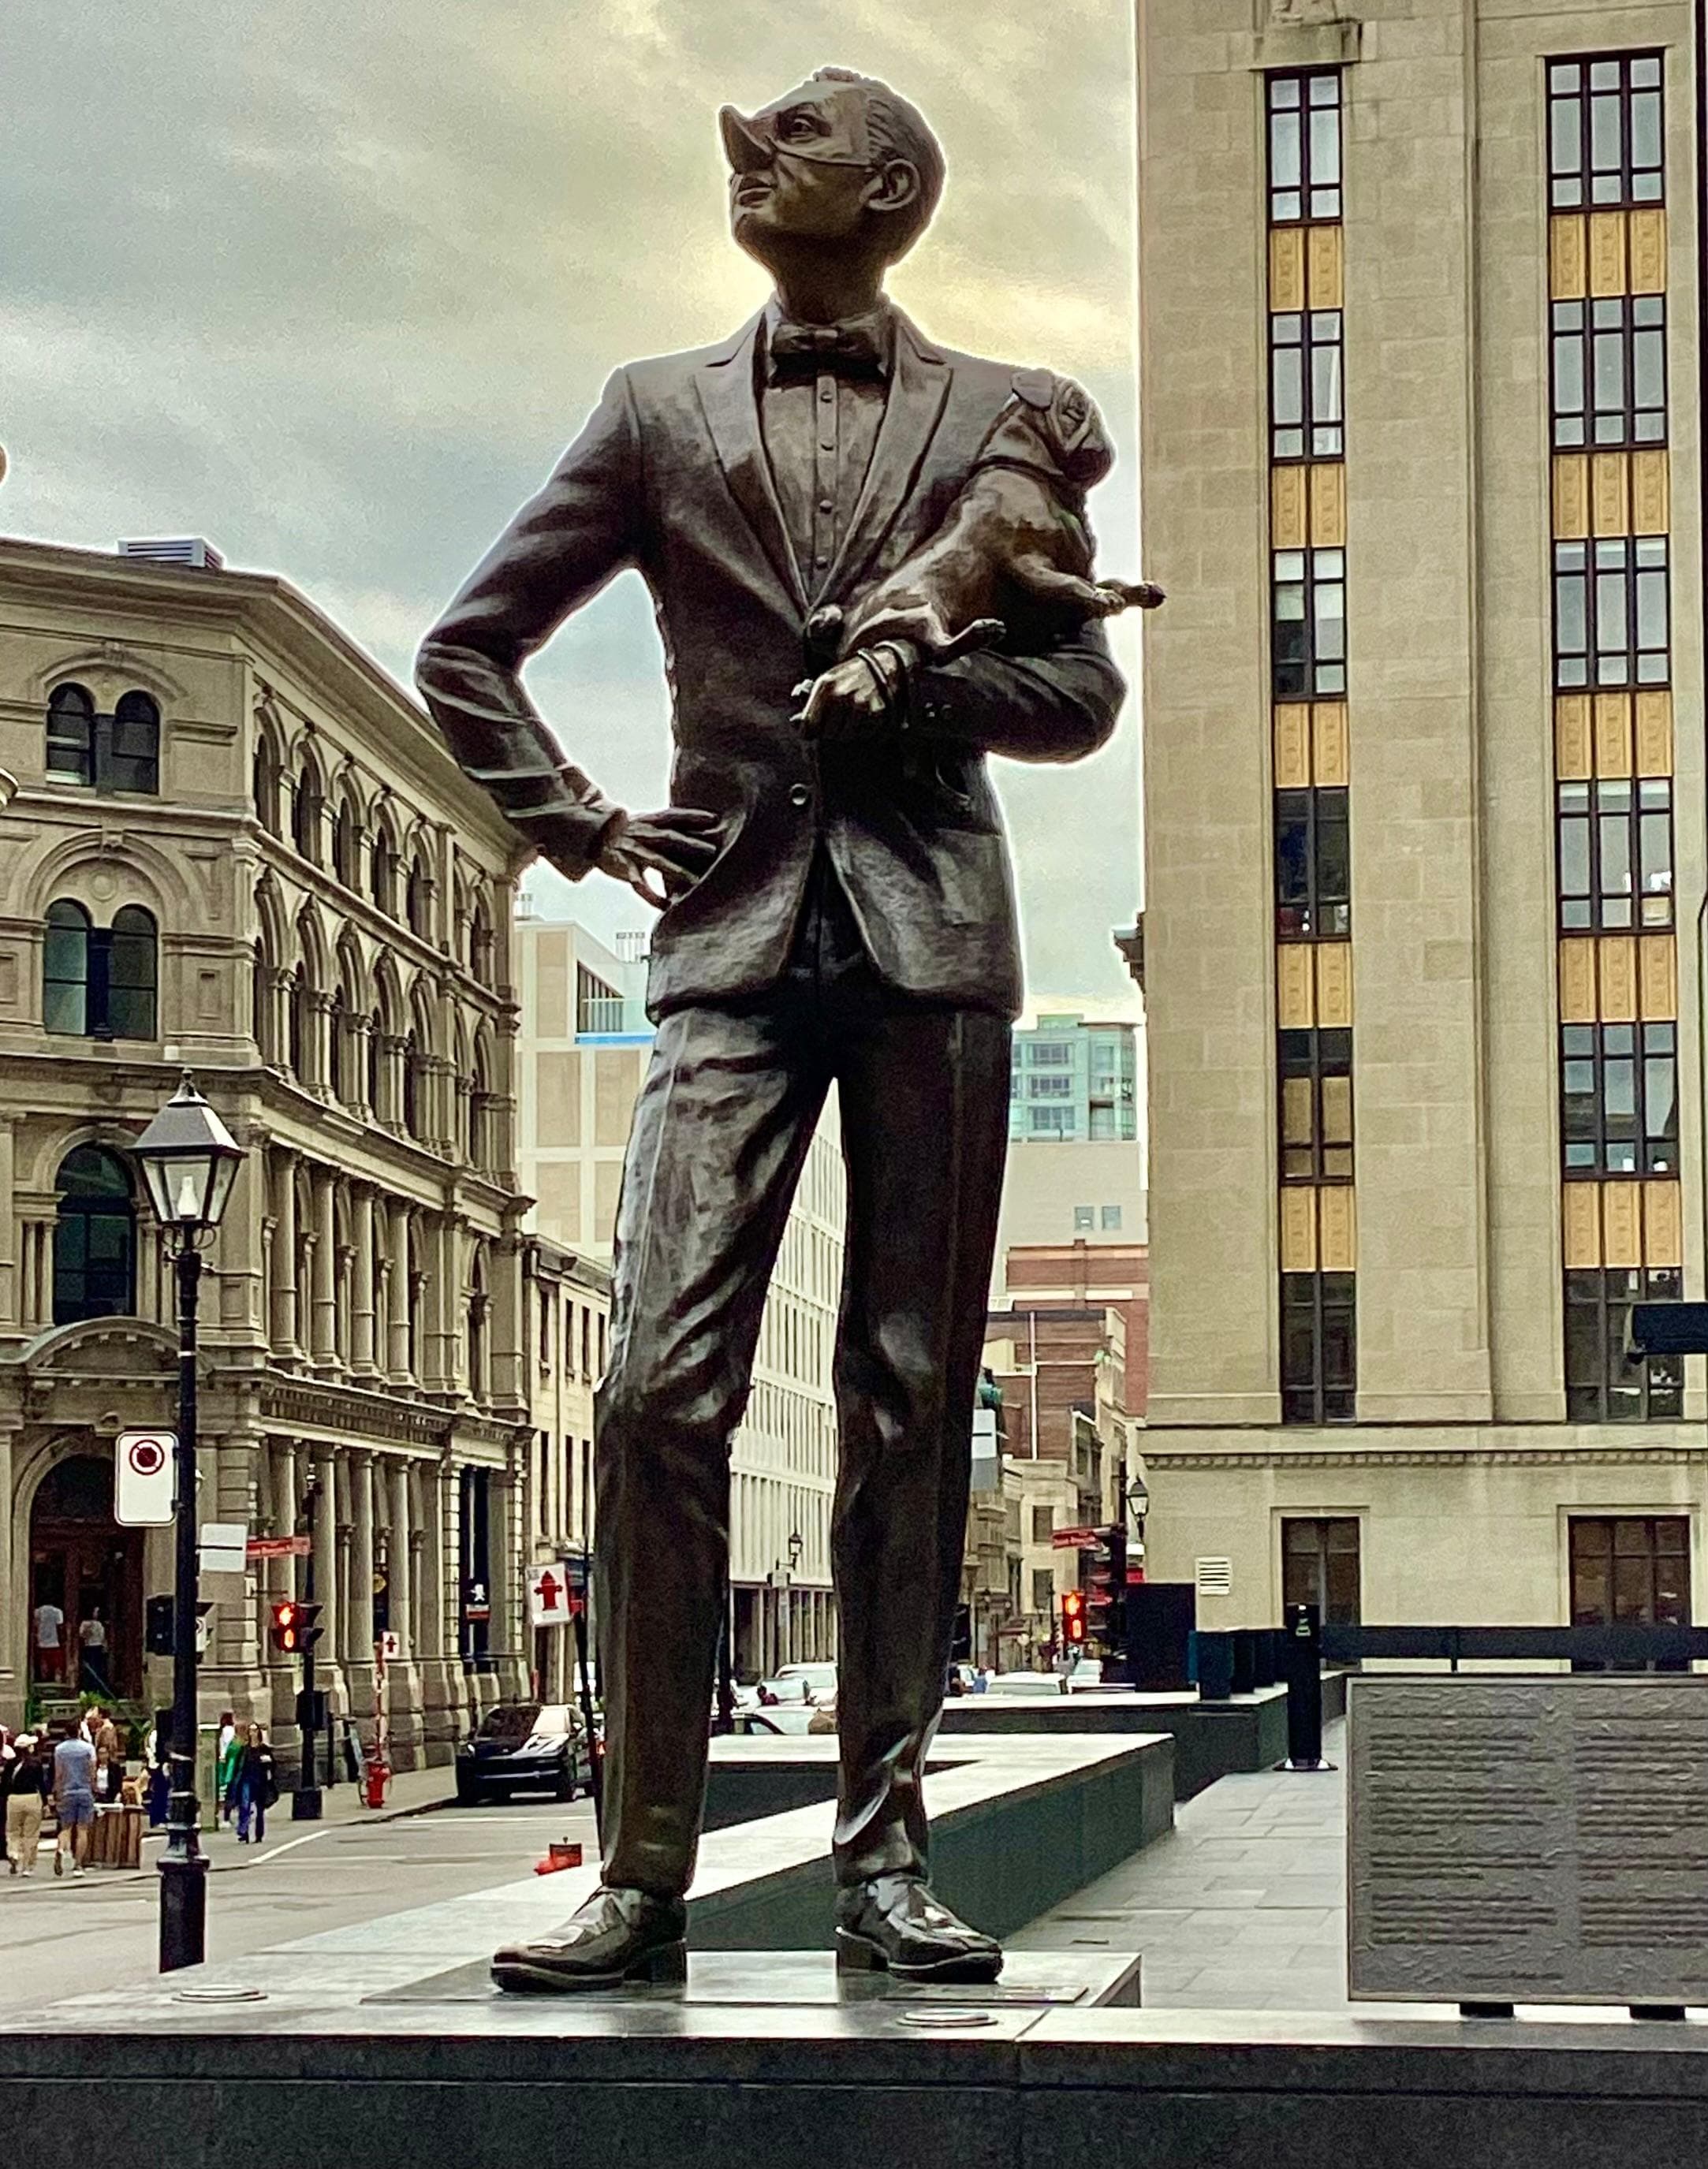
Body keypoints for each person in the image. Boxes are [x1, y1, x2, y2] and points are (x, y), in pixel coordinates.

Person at [419, 66, 1124, 1993]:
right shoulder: (655, 412)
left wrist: (931, 680)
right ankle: (638, 1872)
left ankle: (882, 1858)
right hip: (725, 938)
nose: (750, 144)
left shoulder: (1002, 422)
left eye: (797, 132)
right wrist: (573, 822)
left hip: (929, 945)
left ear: (886, 190)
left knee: (911, 1400)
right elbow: (465, 646)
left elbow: (1081, 696)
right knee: (652, 1388)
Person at [51, 1727, 97, 1878]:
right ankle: (78, 1865)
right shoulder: (88, 1748)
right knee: (82, 1830)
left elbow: (59, 1773)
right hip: (84, 1791)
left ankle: (60, 1848)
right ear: (79, 1732)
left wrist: (58, 1792)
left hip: (67, 1791)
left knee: (66, 1827)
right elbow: (92, 1770)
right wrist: (94, 1786)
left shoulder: (60, 1750)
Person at [6, 1737, 48, 1877]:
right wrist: (45, 1802)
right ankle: (28, 1867)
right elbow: (42, 1784)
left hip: (14, 1798)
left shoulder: (10, 1764)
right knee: (31, 1834)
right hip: (32, 1798)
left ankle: (14, 1853)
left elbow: (5, 1784)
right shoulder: (36, 1764)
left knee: (13, 1831)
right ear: (29, 1747)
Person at [228, 1724, 276, 1845]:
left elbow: (273, 1765)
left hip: (260, 1780)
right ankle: (244, 1832)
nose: (252, 1733)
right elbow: (238, 1766)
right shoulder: (245, 1749)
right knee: (245, 1806)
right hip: (247, 1779)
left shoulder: (264, 1749)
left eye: (255, 1730)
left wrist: (267, 1763)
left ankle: (259, 1834)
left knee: (260, 1809)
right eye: (251, 1730)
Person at [77, 1607, 111, 1695]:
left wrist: (105, 1646)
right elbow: (82, 1635)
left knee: (98, 1668)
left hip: (98, 1647)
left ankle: (99, 1688)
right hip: (89, 1647)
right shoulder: (85, 1623)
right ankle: (89, 1688)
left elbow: (103, 1637)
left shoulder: (99, 1624)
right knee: (90, 1668)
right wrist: (89, 1629)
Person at [215, 1712, 241, 1824]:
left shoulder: (224, 1731)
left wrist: (222, 1756)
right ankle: (227, 1815)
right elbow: (228, 1744)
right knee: (229, 1790)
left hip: (224, 1761)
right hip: (228, 1761)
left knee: (225, 1790)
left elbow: (224, 1745)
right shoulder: (230, 1730)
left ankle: (225, 1815)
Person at [33, 1597, 65, 1685]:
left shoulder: (38, 1611)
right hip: (55, 1642)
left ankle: (44, 1679)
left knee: (44, 1662)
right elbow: (60, 1627)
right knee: (57, 1663)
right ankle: (57, 1680)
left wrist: (36, 1638)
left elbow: (35, 1626)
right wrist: (62, 1640)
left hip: (41, 1641)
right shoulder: (57, 1611)